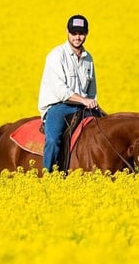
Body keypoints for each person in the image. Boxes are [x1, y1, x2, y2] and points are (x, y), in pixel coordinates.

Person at [38, 14, 99, 172]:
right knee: (52, 140)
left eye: (81, 33)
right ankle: (49, 176)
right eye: (74, 33)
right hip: (59, 107)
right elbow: (60, 91)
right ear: (67, 31)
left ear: (86, 33)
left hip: (83, 108)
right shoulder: (56, 56)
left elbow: (92, 91)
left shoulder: (88, 59)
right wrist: (84, 100)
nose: (77, 37)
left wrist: (91, 102)